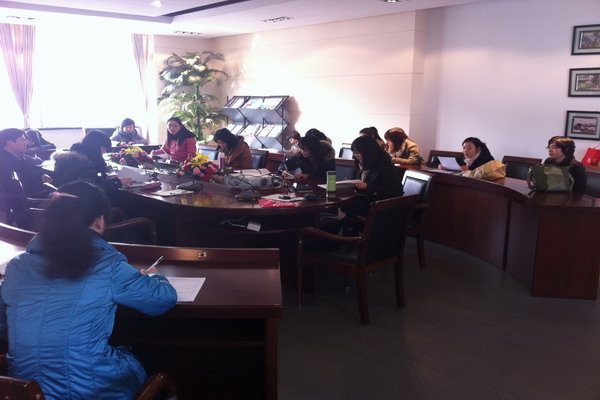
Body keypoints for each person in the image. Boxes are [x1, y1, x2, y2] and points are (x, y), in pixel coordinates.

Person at [0, 180, 177, 400]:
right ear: (100, 221)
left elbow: (3, 325)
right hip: (90, 391)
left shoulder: (17, 266)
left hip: (23, 390)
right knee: (150, 359)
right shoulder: (107, 264)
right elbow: (163, 300)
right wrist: (153, 275)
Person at [52, 130, 130, 190]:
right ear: (95, 147)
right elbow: (93, 188)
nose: (104, 152)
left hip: (67, 200)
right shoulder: (84, 164)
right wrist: (118, 182)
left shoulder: (70, 159)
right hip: (82, 203)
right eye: (104, 149)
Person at [345, 135, 403, 216]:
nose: (355, 155)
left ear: (368, 151)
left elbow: (391, 193)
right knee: (345, 203)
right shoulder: (363, 164)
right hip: (368, 200)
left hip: (381, 206)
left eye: (358, 152)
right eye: (354, 152)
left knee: (347, 205)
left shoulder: (386, 165)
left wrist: (367, 186)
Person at [0, 128, 51, 196]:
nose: (26, 143)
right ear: (10, 142)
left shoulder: (18, 156)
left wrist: (41, 175)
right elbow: (16, 190)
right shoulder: (4, 162)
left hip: (37, 194)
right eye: (22, 140)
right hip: (30, 199)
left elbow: (29, 172)